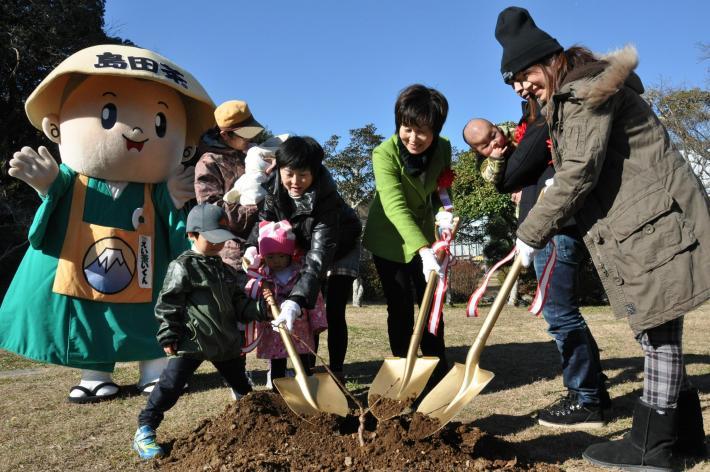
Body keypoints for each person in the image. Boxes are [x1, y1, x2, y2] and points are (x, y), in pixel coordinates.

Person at [495, 6, 709, 470]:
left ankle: (651, 446)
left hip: (654, 222)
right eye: (510, 81)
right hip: (651, 219)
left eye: (523, 74)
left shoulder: (584, 92)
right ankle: (685, 437)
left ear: (550, 59)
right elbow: (583, 166)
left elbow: (578, 173)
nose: (518, 87)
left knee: (657, 332)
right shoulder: (575, 92)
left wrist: (530, 233)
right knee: (662, 324)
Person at [464, 109, 612, 429]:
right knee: (563, 313)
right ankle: (593, 390)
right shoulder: (517, 150)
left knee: (560, 314)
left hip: (554, 232)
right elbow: (502, 178)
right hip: (543, 233)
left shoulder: (541, 133)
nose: (495, 141)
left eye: (493, 134)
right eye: (485, 144)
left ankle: (585, 399)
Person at [132, 203, 268, 460]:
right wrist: (168, 333)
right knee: (171, 385)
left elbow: (239, 303)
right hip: (192, 340)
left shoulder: (224, 269)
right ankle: (145, 429)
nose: (218, 244)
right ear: (192, 235)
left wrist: (261, 309)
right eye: (211, 239)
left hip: (225, 342)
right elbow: (168, 303)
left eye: (221, 239)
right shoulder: (183, 266)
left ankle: (258, 427)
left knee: (242, 388)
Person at [246, 136, 361, 381]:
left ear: (315, 172)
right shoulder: (273, 189)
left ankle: (336, 370)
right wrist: (250, 247)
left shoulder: (326, 201)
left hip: (340, 246)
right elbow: (264, 224)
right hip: (303, 247)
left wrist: (296, 299)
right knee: (304, 313)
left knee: (331, 310)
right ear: (279, 168)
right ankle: (306, 371)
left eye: (304, 175)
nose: (295, 182)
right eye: (290, 174)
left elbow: (318, 258)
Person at [362, 84, 452, 386]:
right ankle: (406, 367)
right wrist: (423, 250)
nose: (413, 138)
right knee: (400, 306)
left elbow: (441, 189)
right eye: (407, 128)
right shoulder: (384, 153)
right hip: (390, 238)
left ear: (436, 131)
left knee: (432, 302)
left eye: (423, 131)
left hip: (427, 235)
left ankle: (437, 367)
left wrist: (446, 211)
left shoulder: (443, 148)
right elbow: (394, 205)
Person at [245, 220, 327, 387]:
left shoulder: (300, 273)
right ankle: (278, 391)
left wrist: (317, 323)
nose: (276, 261)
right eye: (270, 257)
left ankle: (308, 386)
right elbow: (250, 297)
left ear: (290, 254)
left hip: (299, 328)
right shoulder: (261, 277)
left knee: (304, 361)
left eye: (281, 256)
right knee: (277, 366)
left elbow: (314, 297)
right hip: (274, 330)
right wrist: (262, 294)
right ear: (263, 256)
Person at [194, 99, 265, 270]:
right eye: (245, 134)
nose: (251, 138)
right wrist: (258, 208)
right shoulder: (209, 162)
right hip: (232, 257)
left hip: (264, 248)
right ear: (225, 135)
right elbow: (211, 211)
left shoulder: (252, 153)